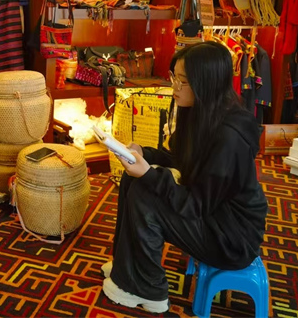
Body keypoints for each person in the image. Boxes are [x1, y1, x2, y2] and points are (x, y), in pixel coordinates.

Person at [101, 41, 268, 314]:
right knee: (132, 179)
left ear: (206, 84)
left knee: (144, 193)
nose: (175, 87)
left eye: (183, 81)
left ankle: (147, 289)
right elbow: (181, 160)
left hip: (231, 237)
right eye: (174, 78)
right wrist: (144, 154)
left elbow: (194, 204)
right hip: (212, 215)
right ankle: (127, 267)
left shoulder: (230, 138)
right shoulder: (202, 113)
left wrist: (149, 174)